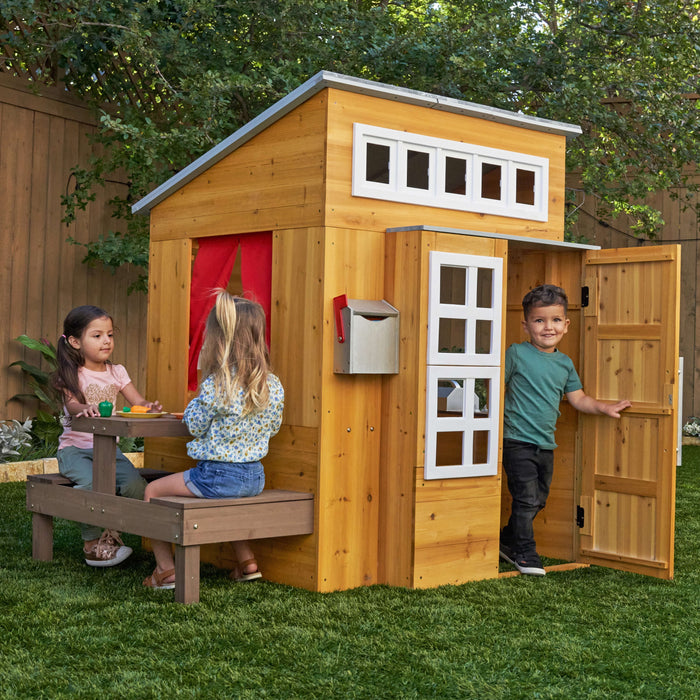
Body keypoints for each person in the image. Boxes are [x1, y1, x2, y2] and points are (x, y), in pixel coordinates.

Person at [142, 291, 284, 590]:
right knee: (227, 502)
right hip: (254, 476)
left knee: (153, 491)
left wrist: (194, 407)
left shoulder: (219, 383)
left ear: (221, 340)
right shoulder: (271, 383)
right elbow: (272, 427)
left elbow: (194, 425)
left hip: (217, 476)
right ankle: (247, 563)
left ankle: (165, 569)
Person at [499, 284, 631, 576]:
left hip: (545, 444)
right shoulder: (516, 354)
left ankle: (507, 539)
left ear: (566, 325)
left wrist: (604, 407)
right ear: (525, 325)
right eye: (539, 320)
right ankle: (525, 553)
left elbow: (579, 399)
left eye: (556, 320)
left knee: (539, 499)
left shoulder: (564, 363)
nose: (548, 327)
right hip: (515, 440)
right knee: (525, 498)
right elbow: (494, 384)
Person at [52, 305, 162, 567]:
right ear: (75, 341)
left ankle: (117, 534)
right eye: (97, 335)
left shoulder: (117, 372)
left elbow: (137, 401)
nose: (106, 341)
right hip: (74, 451)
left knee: (136, 486)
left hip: (108, 451)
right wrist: (84, 407)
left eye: (110, 335)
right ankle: (92, 543)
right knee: (93, 484)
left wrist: (149, 407)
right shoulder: (71, 374)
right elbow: (72, 406)